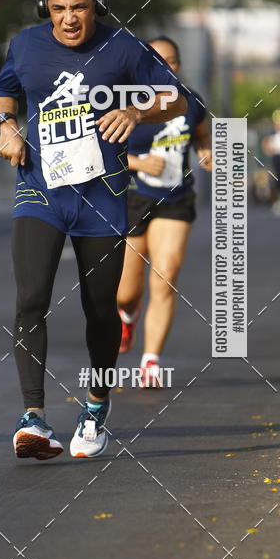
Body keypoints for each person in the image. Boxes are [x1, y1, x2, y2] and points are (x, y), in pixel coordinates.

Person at [0, 0, 187, 460]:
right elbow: (5, 88)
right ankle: (33, 416)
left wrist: (135, 110)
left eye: (78, 7)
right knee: (31, 297)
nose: (69, 18)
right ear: (46, 10)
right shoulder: (26, 43)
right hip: (41, 191)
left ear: (95, 4)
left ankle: (96, 405)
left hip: (101, 197)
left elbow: (177, 98)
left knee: (99, 307)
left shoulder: (124, 47)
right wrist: (6, 126)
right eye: (58, 9)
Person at [116, 36, 211, 387]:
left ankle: (151, 362)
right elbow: (96, 152)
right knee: (125, 290)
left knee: (166, 274)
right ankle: (127, 314)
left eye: (170, 61)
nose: (164, 67)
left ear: (179, 66)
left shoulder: (191, 101)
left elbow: (201, 136)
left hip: (176, 197)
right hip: (131, 196)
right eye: (156, 60)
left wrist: (205, 152)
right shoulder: (123, 102)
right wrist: (139, 162)